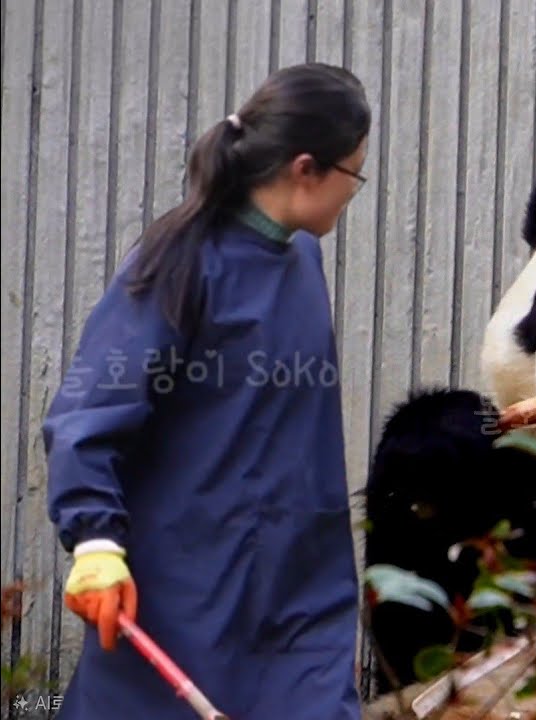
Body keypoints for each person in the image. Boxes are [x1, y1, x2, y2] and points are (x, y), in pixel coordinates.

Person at [42, 62, 371, 719]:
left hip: (298, 596)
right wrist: (96, 542)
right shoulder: (181, 263)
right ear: (305, 168)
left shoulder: (301, 258)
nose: (354, 192)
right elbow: (88, 413)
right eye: (353, 174)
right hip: (180, 600)